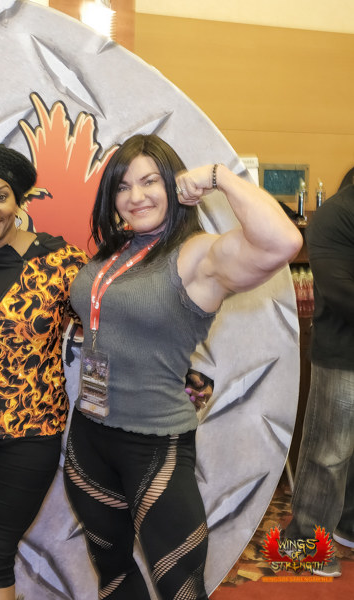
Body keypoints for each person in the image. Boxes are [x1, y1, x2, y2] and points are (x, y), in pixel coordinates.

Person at [63, 134, 302, 599]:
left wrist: (219, 177)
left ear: (174, 185)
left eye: (150, 181)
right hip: (89, 436)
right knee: (113, 575)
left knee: (180, 589)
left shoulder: (195, 255)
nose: (135, 196)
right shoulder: (118, 250)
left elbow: (283, 241)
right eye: (123, 186)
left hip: (154, 447)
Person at [0, 145, 87, 599]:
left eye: (0, 196)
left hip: (32, 427)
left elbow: (114, 316)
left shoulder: (58, 261)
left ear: (19, 203)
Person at [285, 171, 354, 577]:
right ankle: (303, 540)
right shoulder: (336, 214)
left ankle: (347, 524)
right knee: (329, 453)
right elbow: (343, 291)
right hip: (343, 355)